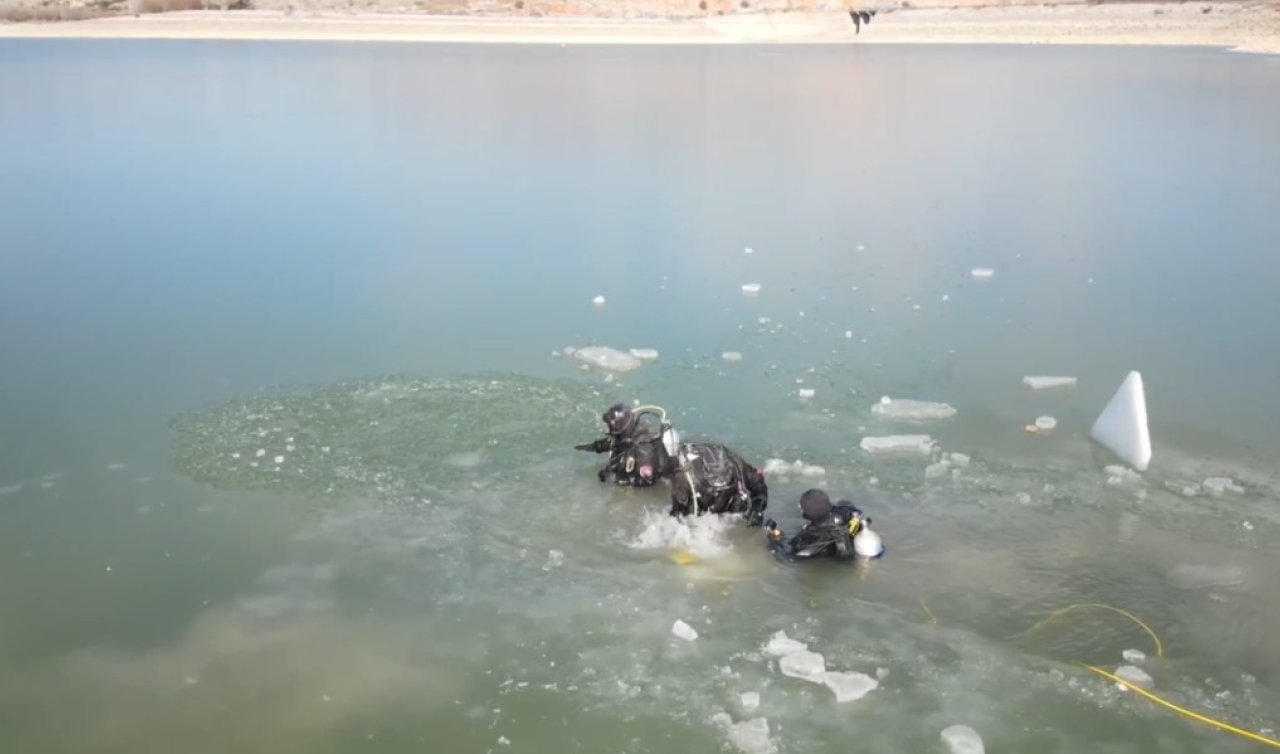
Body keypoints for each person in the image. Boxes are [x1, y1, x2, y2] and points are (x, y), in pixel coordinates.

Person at [574, 403, 677, 487]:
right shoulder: (628, 436)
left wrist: (617, 478)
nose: (607, 430)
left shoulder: (644, 451)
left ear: (622, 431)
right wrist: (592, 447)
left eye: (610, 428)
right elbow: (614, 442)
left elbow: (647, 481)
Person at [669, 441, 769, 527]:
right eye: (717, 482)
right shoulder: (685, 477)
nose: (722, 482)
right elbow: (677, 515)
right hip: (702, 503)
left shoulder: (738, 466)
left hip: (730, 503)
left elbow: (758, 483)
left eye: (725, 479)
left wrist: (758, 506)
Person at [765, 489, 883, 560]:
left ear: (807, 512)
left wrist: (774, 538)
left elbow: (787, 556)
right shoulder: (845, 512)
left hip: (842, 561)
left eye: (801, 507)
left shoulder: (807, 539)